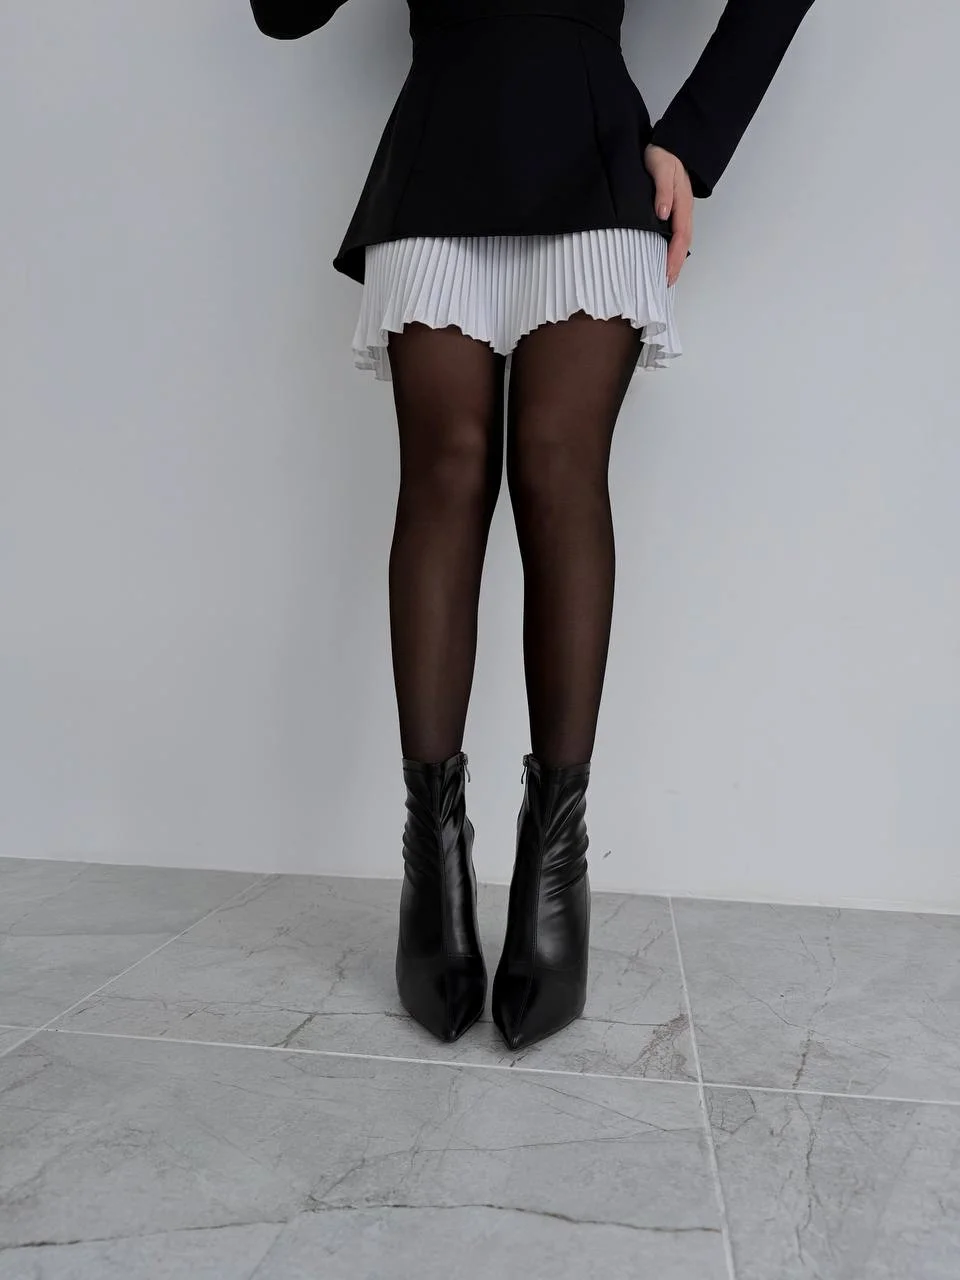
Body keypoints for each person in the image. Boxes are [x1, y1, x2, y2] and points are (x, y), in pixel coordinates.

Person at [249, 0, 815, 1050]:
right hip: (436, 153)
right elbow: (281, 16)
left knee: (557, 468)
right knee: (444, 475)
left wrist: (695, 139)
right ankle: (433, 860)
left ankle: (556, 859)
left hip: (595, 155)